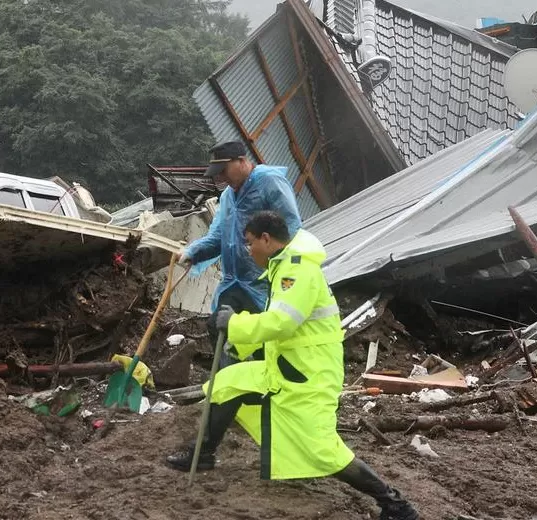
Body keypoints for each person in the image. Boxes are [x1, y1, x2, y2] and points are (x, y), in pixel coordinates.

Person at [166, 211, 420, 520]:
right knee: (226, 384)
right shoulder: (283, 267)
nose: (248, 251)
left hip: (308, 376)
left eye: (250, 244)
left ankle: (394, 504)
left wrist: (234, 324)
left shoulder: (296, 272)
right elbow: (284, 330)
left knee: (322, 450)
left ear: (266, 239)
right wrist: (237, 335)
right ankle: (203, 453)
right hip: (285, 368)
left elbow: (282, 323)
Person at [180, 141, 302, 367]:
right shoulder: (228, 196)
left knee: (265, 339)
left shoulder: (269, 182)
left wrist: (278, 264)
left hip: (263, 283)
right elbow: (218, 237)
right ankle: (228, 387)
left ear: (242, 161)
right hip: (234, 282)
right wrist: (193, 252)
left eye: (224, 171)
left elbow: (291, 226)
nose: (222, 178)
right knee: (219, 327)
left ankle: (266, 381)